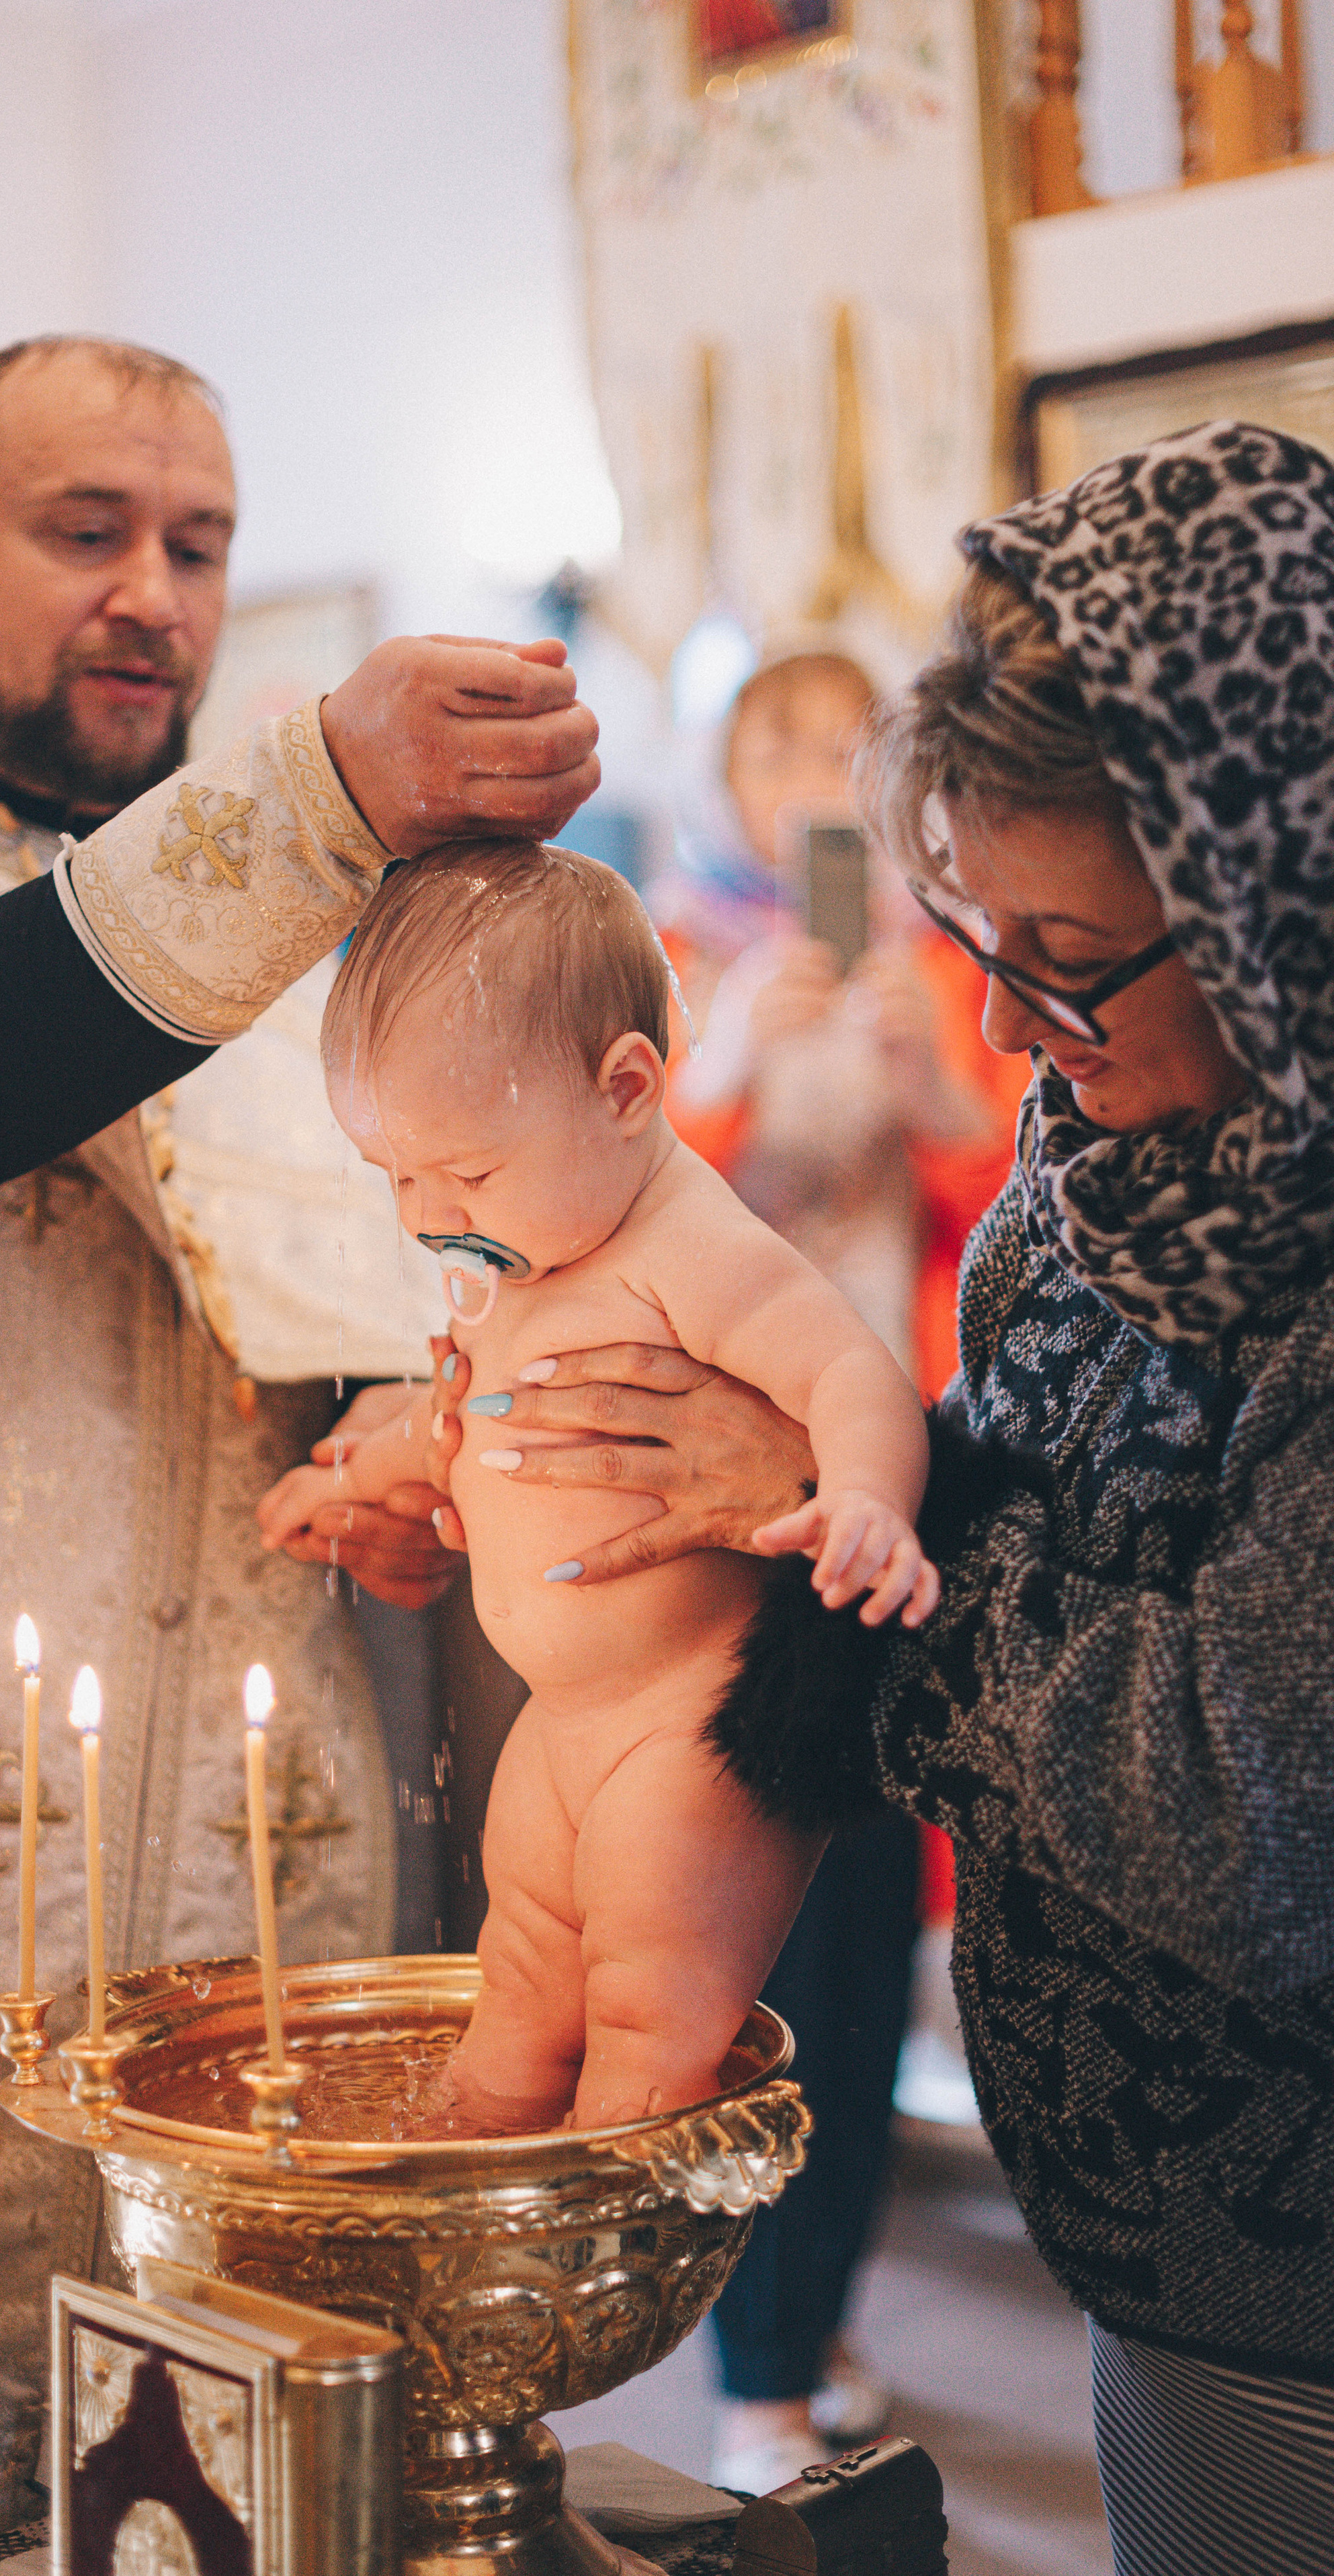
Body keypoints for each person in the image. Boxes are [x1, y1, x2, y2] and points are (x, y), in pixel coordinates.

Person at [0, 334, 598, 2576]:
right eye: (85, 536)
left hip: (242, 1878)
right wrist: (322, 791)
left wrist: (413, 1431)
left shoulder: (246, 889)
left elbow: (361, 1258)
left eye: (198, 545)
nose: (153, 593)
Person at [427, 421, 1334, 2571]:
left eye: (1078, 952)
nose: (1015, 1022)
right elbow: (1011, 1491)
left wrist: (861, 1552)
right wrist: (570, 1484)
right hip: (1166, 2266)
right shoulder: (1103, 1157)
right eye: (978, 935)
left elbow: (1255, 1814)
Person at [259, 840, 935, 2129]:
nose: (424, 1213)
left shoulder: (692, 1245)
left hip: (686, 1726)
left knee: (647, 2023)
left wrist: (863, 1497)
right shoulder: (527, 1247)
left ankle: (610, 2240)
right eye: (395, 1175)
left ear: (625, 1087)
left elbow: (857, 1374)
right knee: (511, 1993)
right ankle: (484, 2239)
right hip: (560, 1724)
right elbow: (496, 1427)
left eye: (463, 1172)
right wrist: (367, 1466)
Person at [665, 650, 1026, 2487]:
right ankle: (758, 2364)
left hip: (924, 1488)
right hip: (750, 1512)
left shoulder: (957, 968)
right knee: (763, 1938)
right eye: (777, 743)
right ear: (726, 775)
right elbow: (615, 1224)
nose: (808, 772)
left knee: (874, 1949)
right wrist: (721, 1076)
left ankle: (815, 2320)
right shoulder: (667, 959)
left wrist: (944, 1100)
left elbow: (1029, 1238)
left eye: (840, 743)